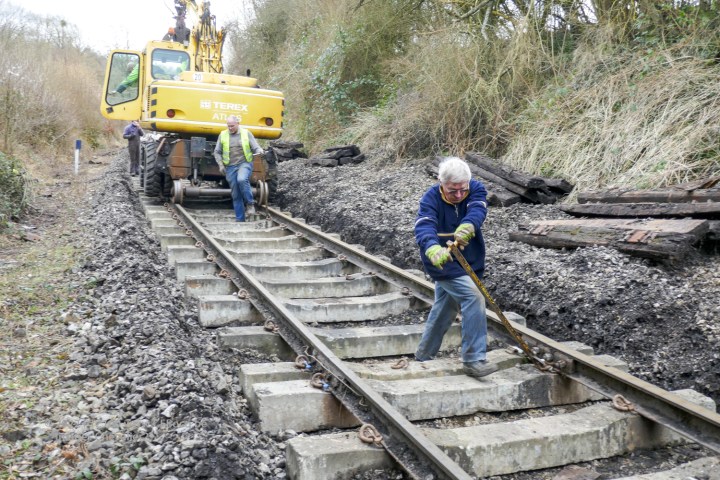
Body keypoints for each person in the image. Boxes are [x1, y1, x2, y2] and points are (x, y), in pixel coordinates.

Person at [414, 156, 498, 379]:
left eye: (463, 189)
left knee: (445, 307)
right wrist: (433, 249)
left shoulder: (476, 189)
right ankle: (473, 360)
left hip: (470, 260)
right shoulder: (430, 198)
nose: (459, 195)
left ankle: (423, 355)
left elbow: (478, 210)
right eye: (453, 191)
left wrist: (469, 224)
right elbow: (424, 226)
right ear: (442, 183)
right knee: (474, 297)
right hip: (444, 263)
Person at [213, 115, 263, 221]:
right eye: (228, 126)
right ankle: (240, 220)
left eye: (232, 126)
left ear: (238, 124)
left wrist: (259, 150)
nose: (230, 128)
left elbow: (255, 146)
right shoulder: (223, 135)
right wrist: (221, 165)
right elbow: (217, 152)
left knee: (242, 179)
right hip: (230, 167)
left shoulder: (246, 133)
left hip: (244, 163)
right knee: (236, 194)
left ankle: (250, 204)